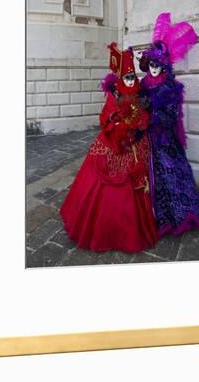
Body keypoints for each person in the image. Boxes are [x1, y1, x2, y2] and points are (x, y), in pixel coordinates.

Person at [59, 42, 158, 253]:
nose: (131, 81)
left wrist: (138, 123)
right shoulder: (113, 98)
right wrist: (120, 125)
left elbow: (144, 119)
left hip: (135, 148)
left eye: (133, 77)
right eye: (127, 78)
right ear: (121, 79)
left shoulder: (141, 97)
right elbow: (106, 120)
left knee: (138, 184)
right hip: (114, 147)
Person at [139, 12, 199, 237]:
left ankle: (172, 215)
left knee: (169, 174)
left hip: (163, 139)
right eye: (152, 64)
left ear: (164, 65)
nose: (154, 68)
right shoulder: (144, 83)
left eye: (158, 64)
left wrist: (153, 112)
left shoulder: (171, 87)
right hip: (144, 138)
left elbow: (170, 116)